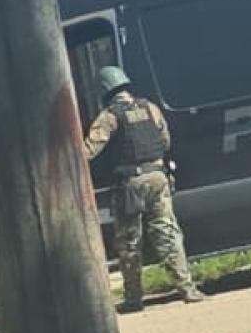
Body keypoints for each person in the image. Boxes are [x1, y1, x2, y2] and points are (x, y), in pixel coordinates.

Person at [83, 66, 205, 312]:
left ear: (105, 91)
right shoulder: (150, 108)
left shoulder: (109, 116)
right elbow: (165, 140)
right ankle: (187, 289)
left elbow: (90, 150)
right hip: (158, 178)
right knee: (168, 233)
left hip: (131, 184)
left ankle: (133, 298)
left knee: (129, 242)